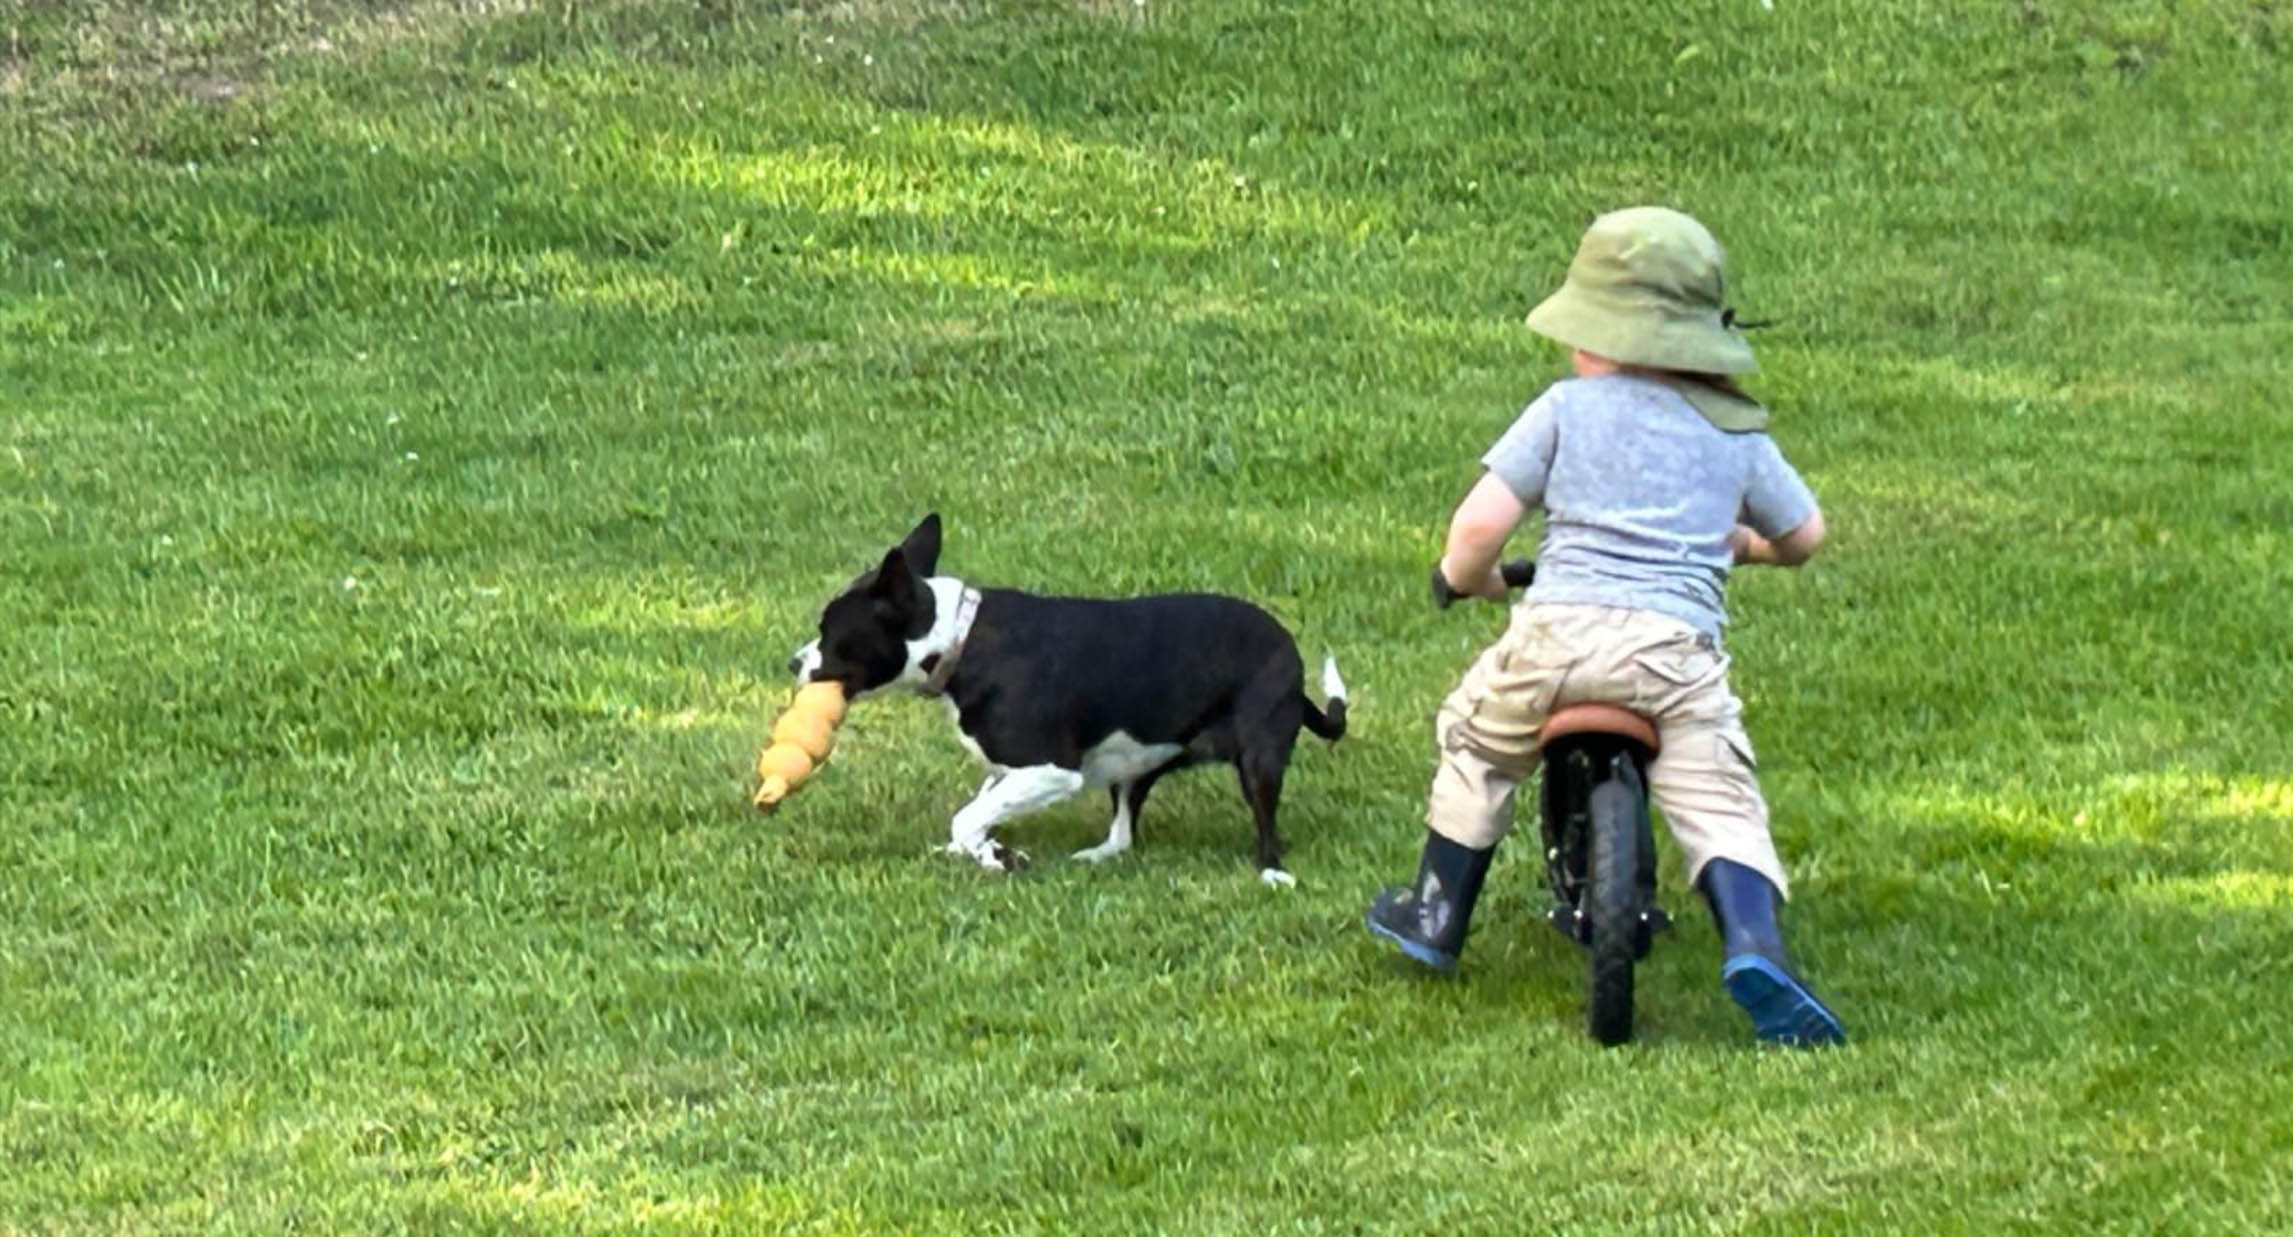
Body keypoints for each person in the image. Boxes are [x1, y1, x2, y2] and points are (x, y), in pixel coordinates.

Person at [1363, 206, 1846, 1047]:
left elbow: (1477, 527)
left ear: (1599, 339)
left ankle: (1434, 912)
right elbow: (1804, 536)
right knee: (1718, 792)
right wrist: (1741, 545)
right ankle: (1755, 942)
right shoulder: (1734, 430)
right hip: (1672, 655)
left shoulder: (1563, 409)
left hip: (1555, 638)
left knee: (1478, 742)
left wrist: (1467, 579)